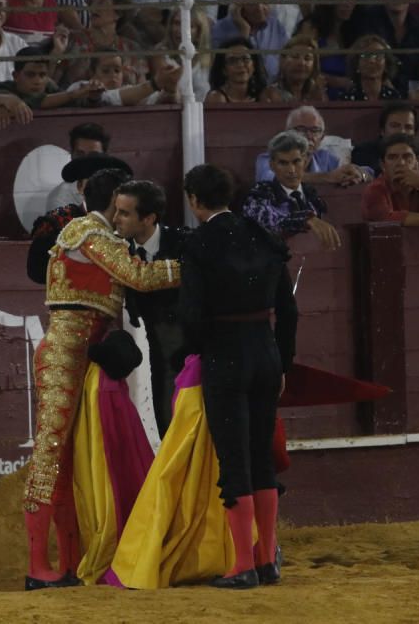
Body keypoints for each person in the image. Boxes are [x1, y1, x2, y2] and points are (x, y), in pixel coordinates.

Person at [22, 165, 180, 590]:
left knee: (68, 458)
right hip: (65, 355)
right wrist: (192, 268)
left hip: (80, 356)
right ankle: (38, 566)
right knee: (50, 454)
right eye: (123, 208)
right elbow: (140, 277)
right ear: (114, 204)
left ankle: (71, 562)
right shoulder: (91, 235)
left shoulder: (84, 234)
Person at [177, 162, 297, 588]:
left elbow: (191, 314)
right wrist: (282, 361)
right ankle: (267, 559)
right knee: (260, 454)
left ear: (194, 200)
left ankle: (242, 565)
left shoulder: (198, 244)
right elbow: (290, 310)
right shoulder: (263, 236)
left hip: (225, 354)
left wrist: (192, 353)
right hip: (264, 351)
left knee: (234, 460)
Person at [112, 179, 188, 437]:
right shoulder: (118, 249)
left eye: (124, 213)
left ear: (148, 219)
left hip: (193, 350)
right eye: (116, 210)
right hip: (157, 349)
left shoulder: (184, 242)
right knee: (166, 424)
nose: (116, 219)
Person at [26, 149, 130, 284]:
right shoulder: (58, 221)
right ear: (80, 187)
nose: (102, 188)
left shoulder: (132, 219)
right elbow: (37, 272)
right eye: (94, 181)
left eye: (108, 184)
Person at [244, 130, 345, 245]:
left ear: (305, 162)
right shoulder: (260, 193)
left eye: (296, 162)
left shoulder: (311, 194)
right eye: (283, 163)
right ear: (272, 166)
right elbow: (269, 222)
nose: (291, 170)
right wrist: (306, 219)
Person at [60, 0, 147, 87]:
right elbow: (55, 76)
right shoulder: (72, 39)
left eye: (101, 3)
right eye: (92, 2)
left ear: (119, 13)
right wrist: (58, 58)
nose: (93, 8)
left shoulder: (132, 49)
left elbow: (142, 89)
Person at [254, 105, 370, 185]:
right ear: (287, 133)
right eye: (301, 129)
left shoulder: (325, 158)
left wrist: (359, 174)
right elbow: (274, 178)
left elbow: (369, 171)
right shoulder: (268, 158)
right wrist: (328, 177)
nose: (309, 136)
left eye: (315, 130)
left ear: (322, 138)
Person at [211, 0, 288, 82]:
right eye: (252, 3)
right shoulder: (219, 31)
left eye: (263, 0)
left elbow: (287, 61)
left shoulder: (275, 25)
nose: (260, 8)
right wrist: (244, 32)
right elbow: (223, 74)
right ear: (237, 5)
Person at [351, 101, 419, 175]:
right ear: (382, 131)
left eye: (408, 127)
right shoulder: (363, 152)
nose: (402, 131)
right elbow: (369, 175)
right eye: (395, 126)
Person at [260, 34, 326, 103]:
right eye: (295, 57)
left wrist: (320, 92)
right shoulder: (270, 94)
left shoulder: (317, 93)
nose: (301, 63)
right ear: (283, 61)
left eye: (307, 58)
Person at [205, 37, 269, 104]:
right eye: (232, 60)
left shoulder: (265, 96)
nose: (240, 65)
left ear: (254, 66)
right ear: (223, 70)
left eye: (245, 58)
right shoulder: (216, 98)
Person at [338, 34, 403, 101]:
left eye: (378, 55)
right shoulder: (346, 99)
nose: (372, 61)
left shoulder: (394, 98)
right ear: (356, 64)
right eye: (365, 55)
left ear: (386, 64)